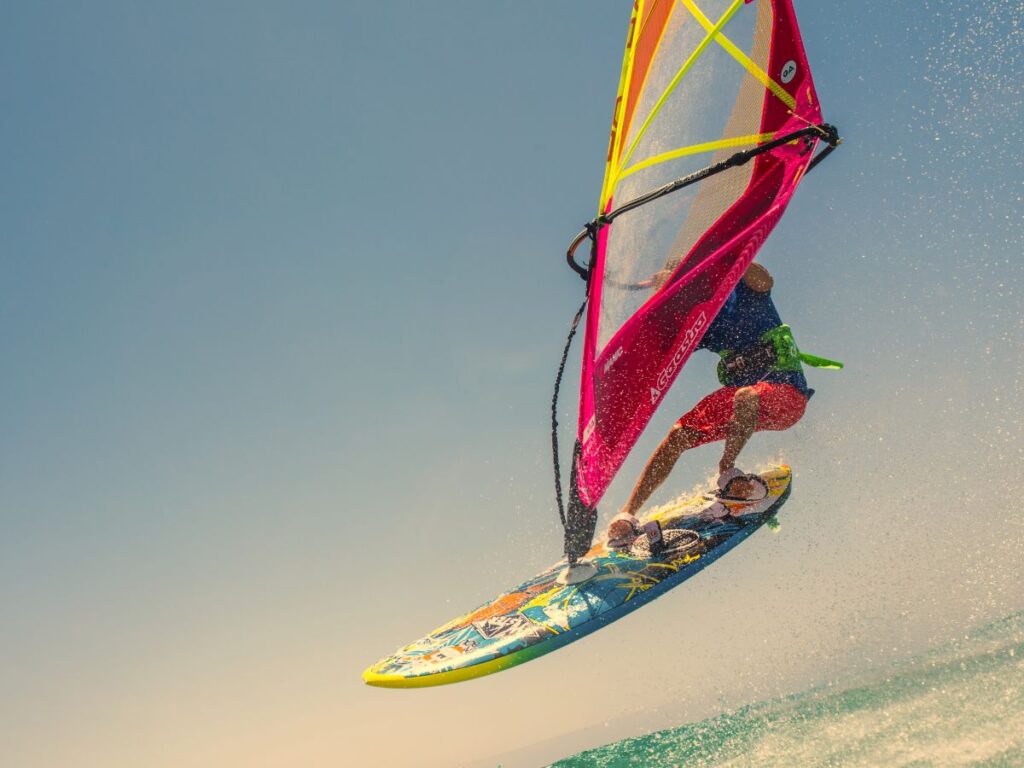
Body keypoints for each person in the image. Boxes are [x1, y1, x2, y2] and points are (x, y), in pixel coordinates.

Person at [606, 261, 838, 544]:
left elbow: (763, 277)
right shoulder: (702, 321)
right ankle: (627, 515)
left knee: (746, 396)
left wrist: (722, 256)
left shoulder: (746, 290)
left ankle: (728, 472)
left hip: (787, 396)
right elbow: (655, 351)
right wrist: (663, 294)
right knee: (678, 435)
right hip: (745, 401)